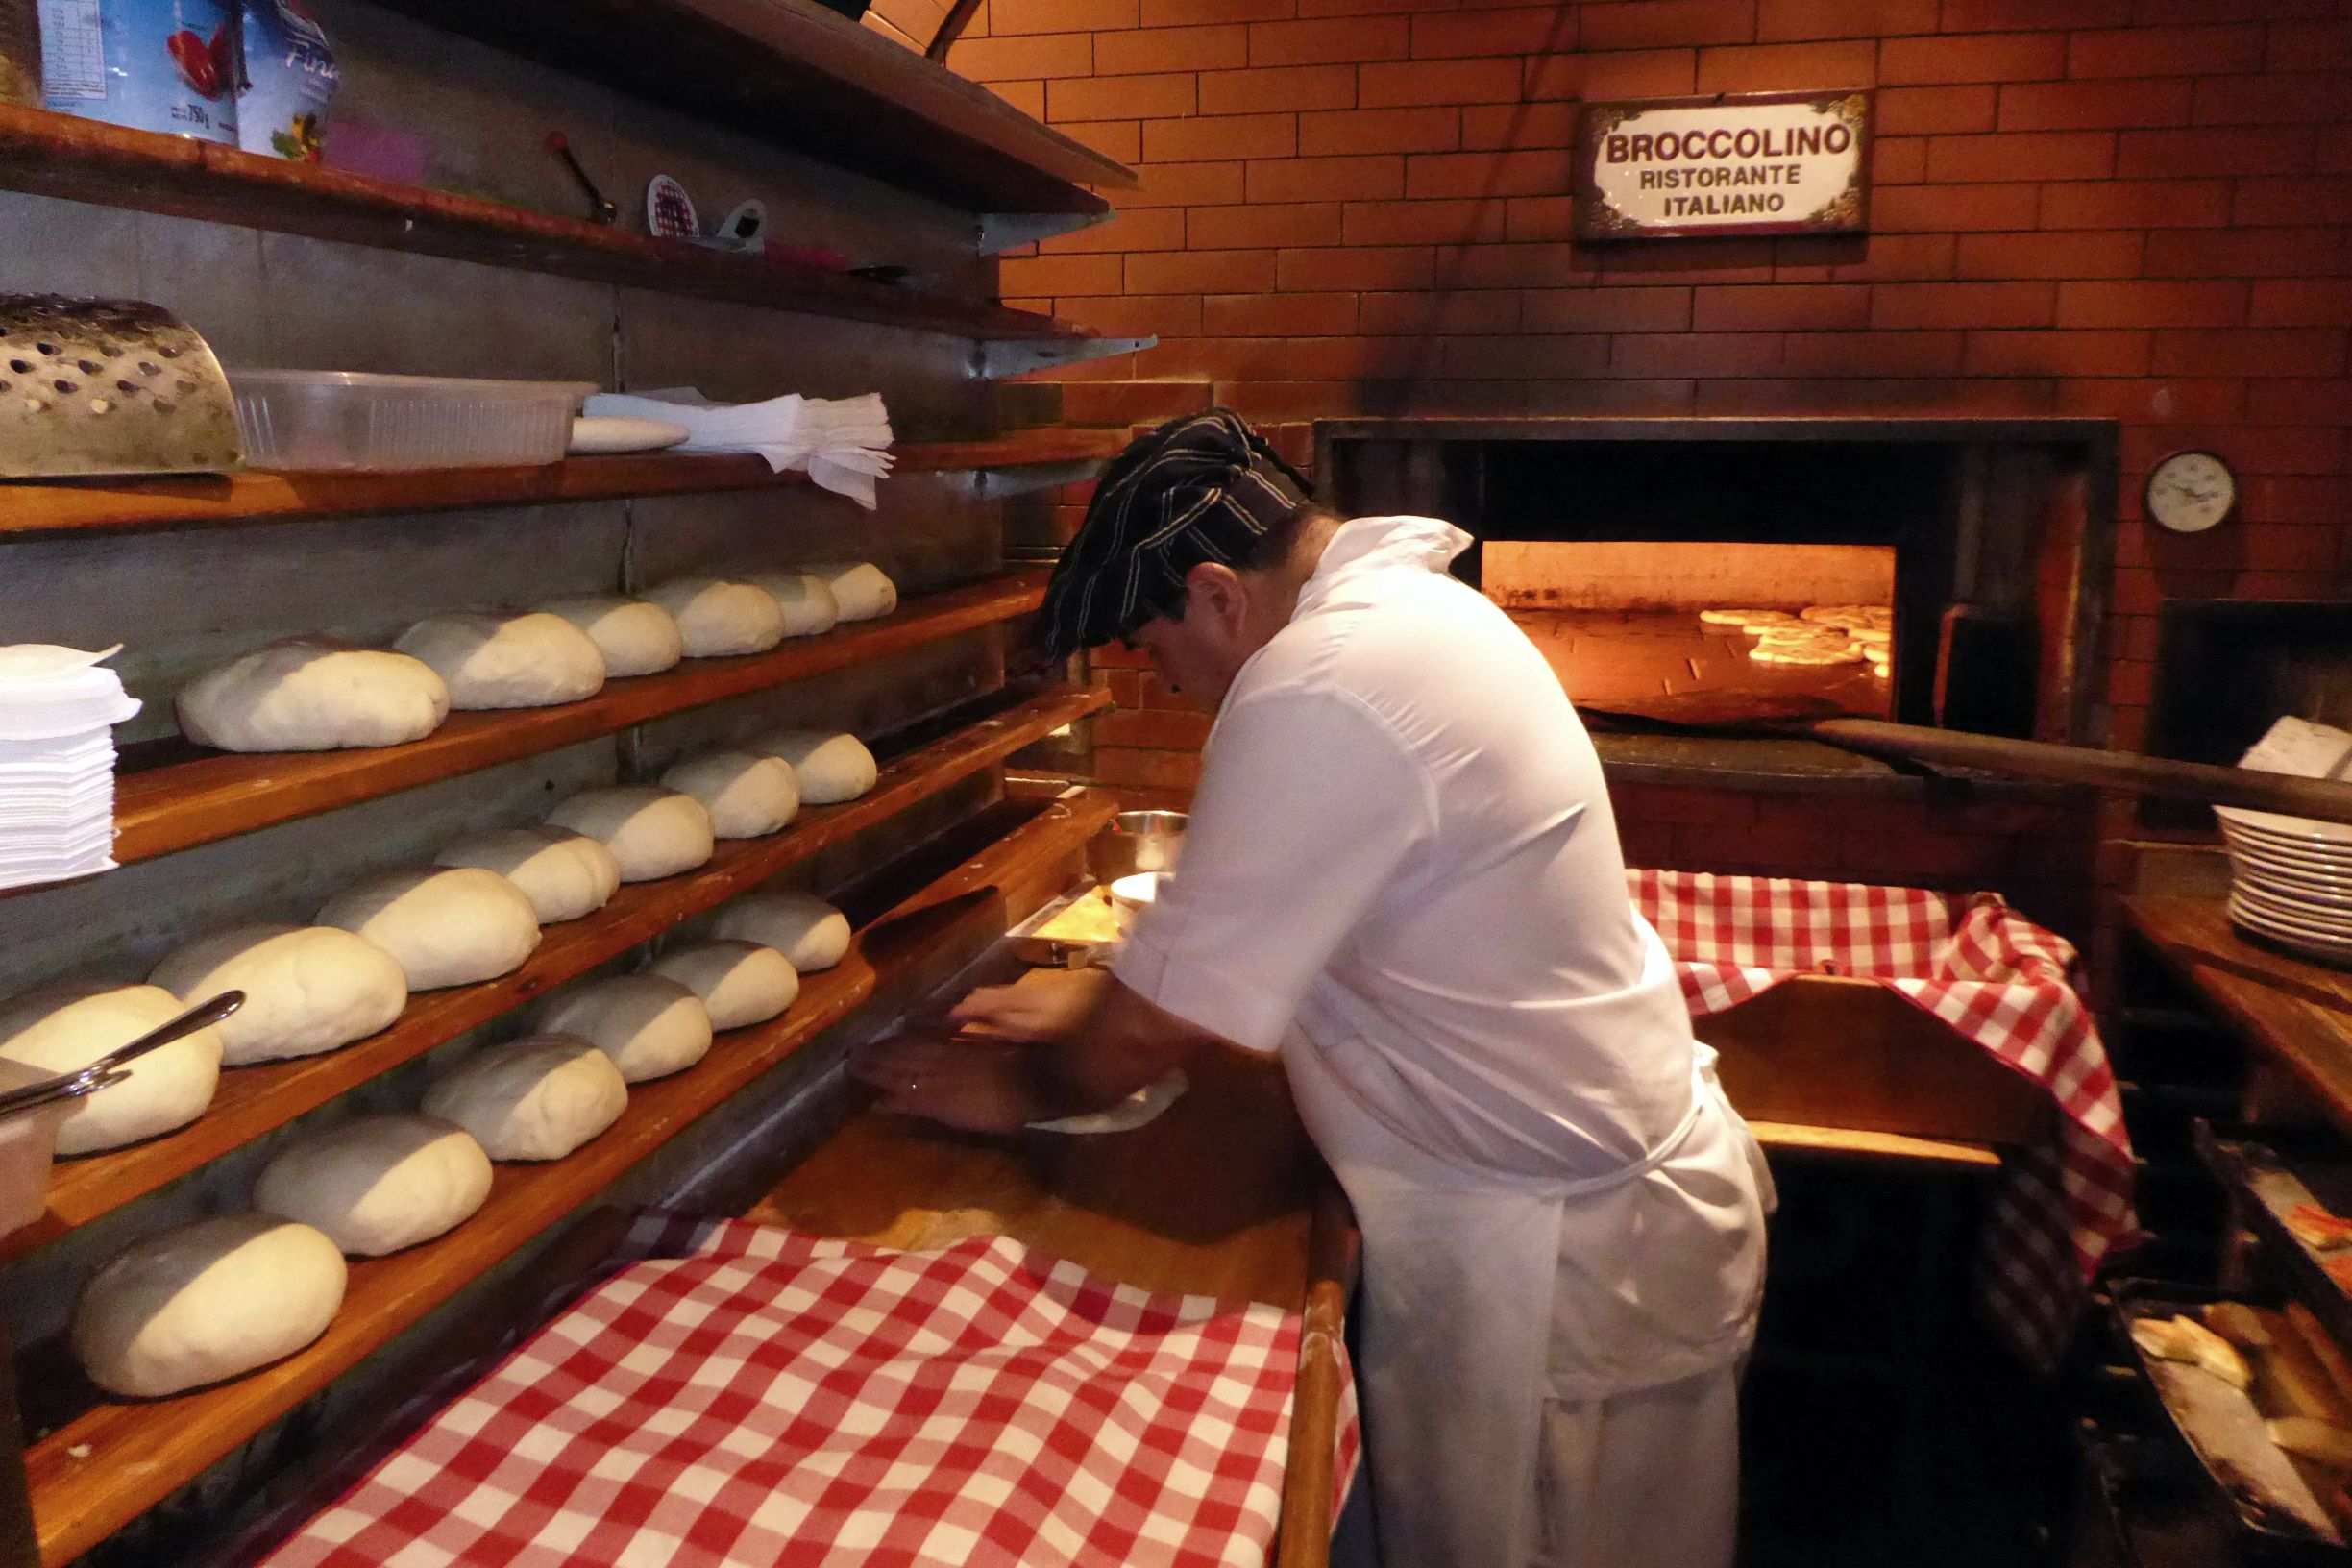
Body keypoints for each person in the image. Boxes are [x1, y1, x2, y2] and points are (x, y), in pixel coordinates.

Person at [850, 408, 1772, 1568]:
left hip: (1561, 1269)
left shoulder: (1324, 683)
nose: (1167, 681)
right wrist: (1100, 1003)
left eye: (1152, 648)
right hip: (1573, 1210)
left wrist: (1020, 1088)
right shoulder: (1414, 619)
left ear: (1217, 595)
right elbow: (1301, 927)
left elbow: (1147, 1036)